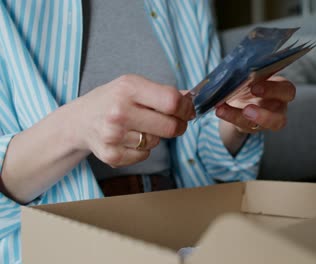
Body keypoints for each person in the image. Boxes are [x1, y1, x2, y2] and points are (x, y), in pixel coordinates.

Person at [0, 0, 296, 262]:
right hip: (57, 246)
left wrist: (233, 121)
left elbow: (200, 157)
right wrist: (74, 128)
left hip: (182, 231)